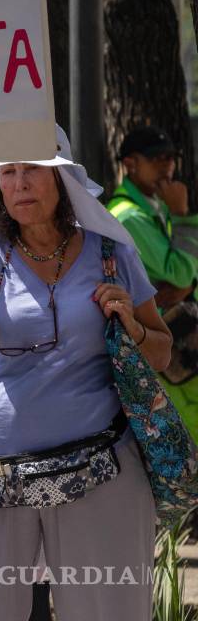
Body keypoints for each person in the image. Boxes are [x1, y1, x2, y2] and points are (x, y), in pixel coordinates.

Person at [0, 128, 171, 621]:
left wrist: (132, 327)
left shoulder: (111, 253)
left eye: (32, 169)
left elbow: (162, 353)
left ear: (62, 179)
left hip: (100, 470)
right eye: (8, 173)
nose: (19, 184)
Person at [108, 126, 198, 443]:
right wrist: (183, 215)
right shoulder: (129, 216)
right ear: (130, 163)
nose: (168, 166)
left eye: (171, 157)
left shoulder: (151, 207)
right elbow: (182, 275)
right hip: (167, 342)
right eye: (156, 158)